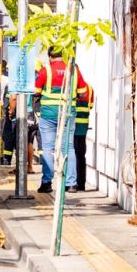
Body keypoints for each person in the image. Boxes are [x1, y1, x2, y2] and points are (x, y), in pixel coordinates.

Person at [34, 48, 91, 194]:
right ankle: (71, 184)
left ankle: (47, 183)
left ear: (49, 56)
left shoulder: (45, 70)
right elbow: (83, 92)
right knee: (69, 147)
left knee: (48, 148)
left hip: (48, 114)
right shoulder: (73, 69)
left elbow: (36, 91)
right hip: (67, 113)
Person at [73, 83, 94, 191]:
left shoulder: (72, 86)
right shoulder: (89, 88)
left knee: (73, 155)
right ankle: (81, 184)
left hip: (73, 127)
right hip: (83, 127)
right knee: (81, 156)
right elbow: (90, 106)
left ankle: (72, 183)